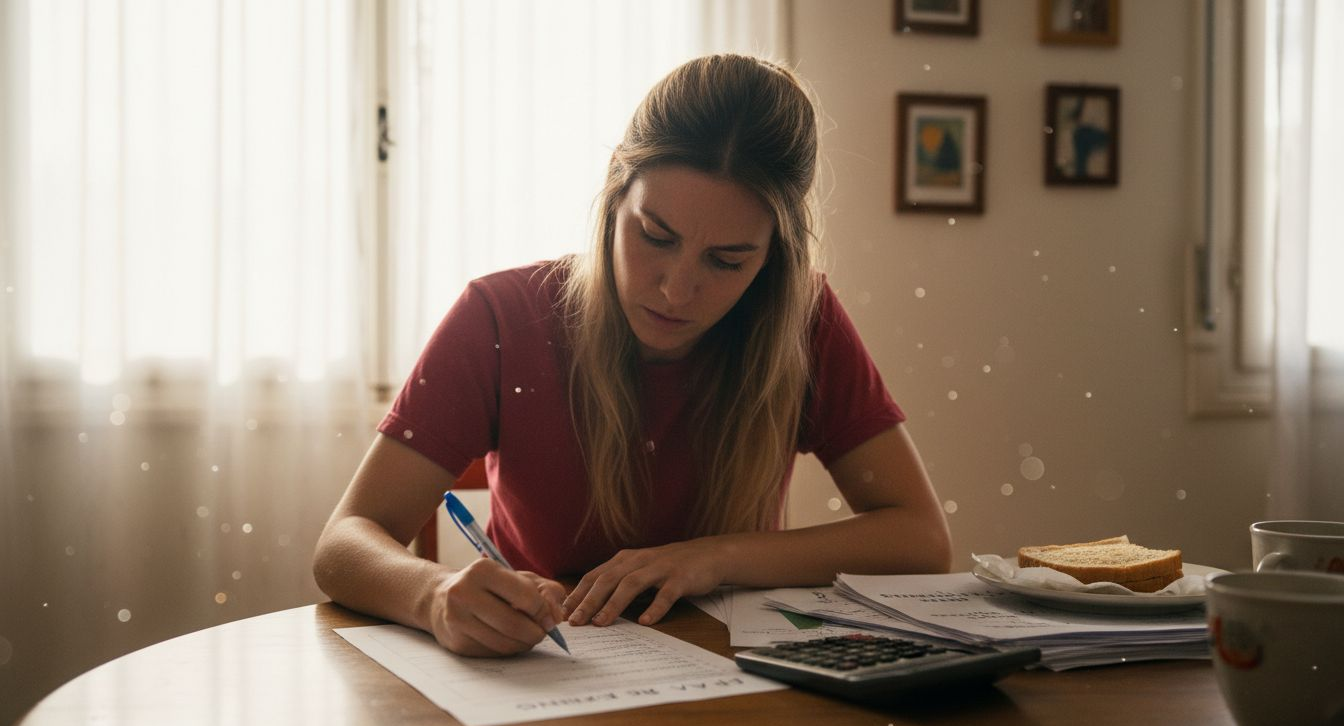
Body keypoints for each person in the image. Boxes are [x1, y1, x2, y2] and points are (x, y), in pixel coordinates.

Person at [313, 53, 952, 658]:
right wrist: (433, 595)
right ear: (617, 186)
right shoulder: (501, 317)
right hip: (546, 670)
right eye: (655, 236)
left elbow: (920, 538)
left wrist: (714, 557)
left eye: (728, 261)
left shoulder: (800, 322)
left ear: (775, 253)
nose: (677, 290)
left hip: (738, 681)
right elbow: (343, 544)